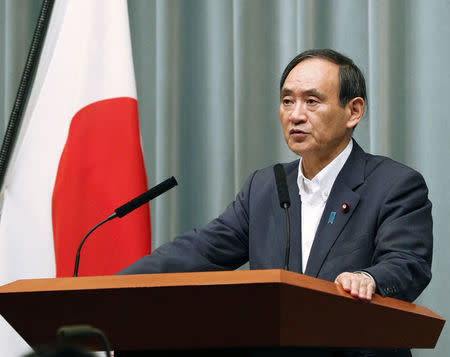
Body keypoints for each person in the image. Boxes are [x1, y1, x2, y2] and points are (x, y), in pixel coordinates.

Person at [117, 49, 433, 357]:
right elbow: (200, 251)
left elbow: (407, 263)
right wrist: (114, 288)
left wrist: (369, 278)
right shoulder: (266, 186)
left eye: (312, 101)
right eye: (287, 101)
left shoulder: (393, 184)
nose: (296, 115)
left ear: (353, 111)